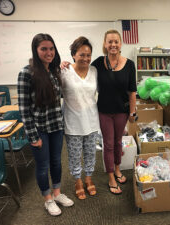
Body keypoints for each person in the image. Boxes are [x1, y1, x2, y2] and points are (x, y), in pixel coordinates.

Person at [17, 33, 74, 216]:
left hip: (56, 127)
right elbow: (24, 109)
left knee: (56, 162)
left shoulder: (54, 71)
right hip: (39, 130)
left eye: (51, 48)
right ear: (36, 50)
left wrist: (64, 65)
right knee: (42, 166)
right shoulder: (27, 73)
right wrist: (33, 137)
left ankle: (57, 194)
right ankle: (47, 199)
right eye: (44, 49)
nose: (48, 52)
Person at [91, 30, 137, 195]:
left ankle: (117, 169)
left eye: (116, 41)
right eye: (110, 42)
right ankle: (111, 176)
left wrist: (132, 113)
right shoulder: (97, 63)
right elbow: (81, 71)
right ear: (105, 44)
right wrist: (66, 64)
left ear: (121, 44)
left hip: (121, 111)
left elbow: (132, 92)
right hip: (104, 111)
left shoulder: (130, 64)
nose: (113, 45)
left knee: (118, 142)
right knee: (108, 144)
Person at [60, 37, 101, 200]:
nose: (85, 58)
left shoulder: (94, 71)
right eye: (82, 54)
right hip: (73, 122)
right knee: (75, 155)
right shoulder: (64, 71)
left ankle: (89, 178)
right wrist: (59, 64)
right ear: (74, 54)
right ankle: (77, 181)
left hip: (91, 120)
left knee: (91, 153)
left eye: (88, 55)